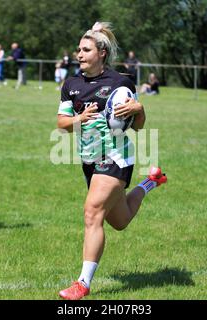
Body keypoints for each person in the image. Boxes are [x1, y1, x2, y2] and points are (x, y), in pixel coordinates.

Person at [57, 22, 167, 300]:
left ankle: (82, 283)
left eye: (85, 50)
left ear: (102, 52)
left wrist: (139, 109)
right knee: (120, 221)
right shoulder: (71, 84)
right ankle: (151, 182)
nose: (78, 54)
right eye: (78, 50)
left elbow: (138, 126)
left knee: (92, 212)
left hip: (116, 156)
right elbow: (61, 123)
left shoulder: (121, 83)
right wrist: (77, 120)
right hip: (89, 160)